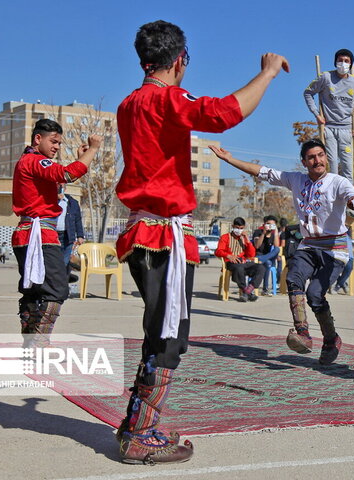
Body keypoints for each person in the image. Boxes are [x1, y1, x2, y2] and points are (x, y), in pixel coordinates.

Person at [113, 20, 289, 464]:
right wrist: (267, 73)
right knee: (168, 336)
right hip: (163, 235)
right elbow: (225, 114)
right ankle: (139, 433)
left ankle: (139, 425)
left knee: (161, 331)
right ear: (180, 62)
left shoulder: (128, 103)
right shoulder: (165, 98)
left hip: (146, 232)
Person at [211, 139, 354, 365]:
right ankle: (303, 333)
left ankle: (331, 339)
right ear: (304, 162)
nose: (318, 160)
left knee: (315, 294)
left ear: (326, 157)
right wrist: (229, 159)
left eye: (321, 155)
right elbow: (261, 172)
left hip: (334, 249)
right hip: (309, 244)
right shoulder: (295, 179)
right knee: (293, 278)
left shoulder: (338, 182)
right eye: (312, 157)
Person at [11, 119, 100, 349]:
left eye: (59, 142)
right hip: (39, 236)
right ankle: (38, 343)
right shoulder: (35, 160)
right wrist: (93, 149)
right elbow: (69, 175)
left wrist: (80, 157)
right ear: (37, 139)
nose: (57, 146)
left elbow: (59, 177)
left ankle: (30, 343)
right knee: (57, 289)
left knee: (33, 289)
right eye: (54, 141)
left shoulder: (27, 161)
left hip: (27, 234)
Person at [303, 49, 354, 183]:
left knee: (348, 170)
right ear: (335, 62)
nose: (343, 63)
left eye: (346, 61)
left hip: (347, 130)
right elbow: (308, 93)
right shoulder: (325, 77)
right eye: (340, 60)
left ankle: (350, 201)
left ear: (351, 64)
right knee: (332, 168)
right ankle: (331, 200)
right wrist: (316, 114)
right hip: (328, 128)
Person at [216, 217, 265, 302]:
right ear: (233, 226)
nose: (239, 230)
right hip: (231, 263)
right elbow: (218, 251)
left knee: (261, 268)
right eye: (237, 228)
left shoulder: (244, 239)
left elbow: (251, 255)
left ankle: (247, 291)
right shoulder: (225, 237)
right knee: (239, 268)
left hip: (244, 262)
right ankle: (247, 292)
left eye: (241, 228)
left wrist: (248, 241)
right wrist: (228, 256)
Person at [55, 184, 85, 280]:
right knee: (54, 262)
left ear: (65, 187)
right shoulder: (49, 201)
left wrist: (80, 235)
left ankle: (62, 285)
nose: (59, 188)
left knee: (65, 262)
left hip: (67, 236)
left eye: (61, 185)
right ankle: (55, 285)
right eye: (57, 185)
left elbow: (78, 220)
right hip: (53, 237)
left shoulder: (72, 203)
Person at [252, 215, 281, 295]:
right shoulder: (258, 232)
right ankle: (265, 289)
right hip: (258, 255)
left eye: (272, 224)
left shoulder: (273, 234)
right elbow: (257, 245)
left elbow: (276, 246)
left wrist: (275, 233)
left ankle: (263, 259)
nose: (270, 226)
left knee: (277, 249)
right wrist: (264, 233)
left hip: (267, 256)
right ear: (264, 224)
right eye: (268, 224)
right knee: (268, 263)